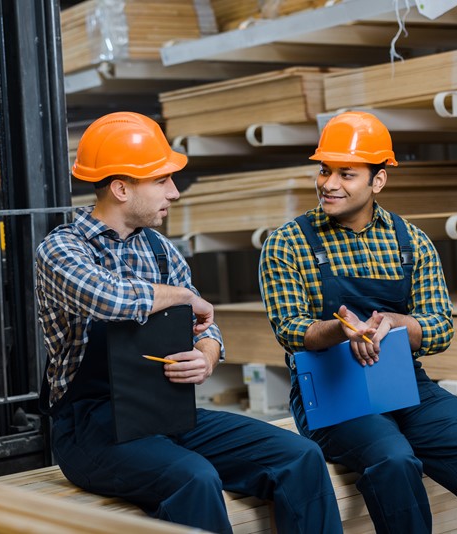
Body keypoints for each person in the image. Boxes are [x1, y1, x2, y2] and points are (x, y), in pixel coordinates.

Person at [259, 110, 457, 534]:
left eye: (346, 174)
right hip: (328, 391)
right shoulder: (288, 242)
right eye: (324, 170)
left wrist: (394, 324)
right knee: (393, 459)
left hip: (405, 383)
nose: (329, 184)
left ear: (378, 180)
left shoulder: (411, 241)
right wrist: (342, 330)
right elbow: (289, 327)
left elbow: (440, 326)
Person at [35, 111, 343, 534]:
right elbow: (110, 299)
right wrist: (182, 297)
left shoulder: (161, 251)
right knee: (193, 478)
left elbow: (206, 326)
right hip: (93, 431)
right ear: (122, 188)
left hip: (168, 413)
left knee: (300, 457)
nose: (174, 193)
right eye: (162, 180)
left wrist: (207, 355)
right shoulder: (61, 250)